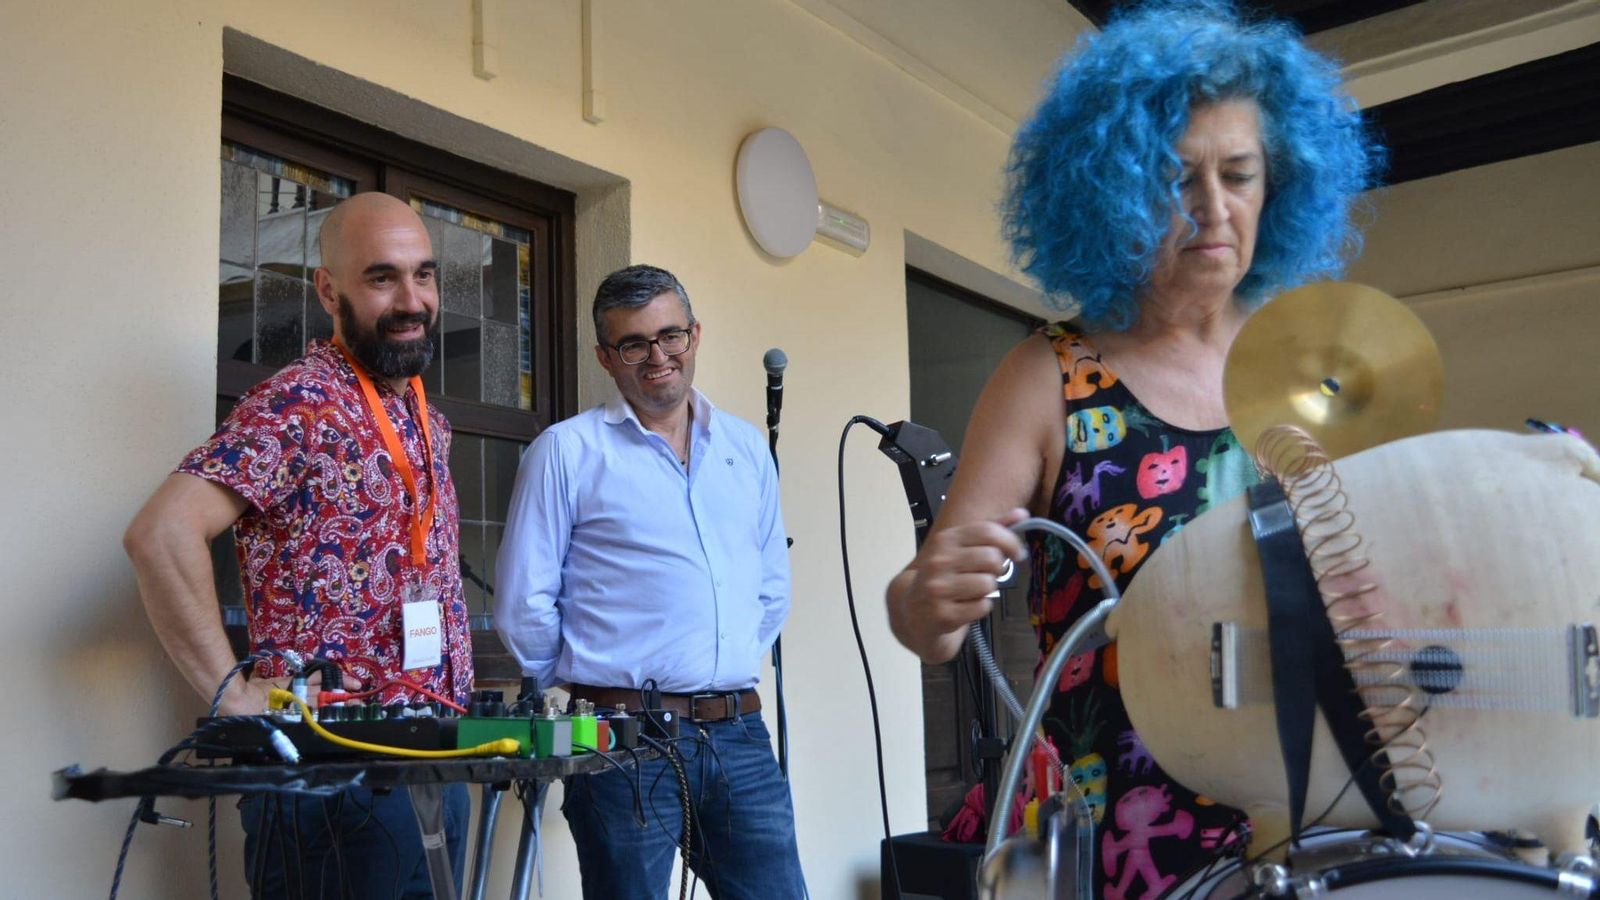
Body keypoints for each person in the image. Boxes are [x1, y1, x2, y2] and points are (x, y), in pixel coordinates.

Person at [885, 2, 1382, 895]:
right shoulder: (1048, 377)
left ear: (1278, 187)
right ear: (1113, 192)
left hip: (1297, 816)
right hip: (1109, 834)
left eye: (1240, 175)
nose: (1214, 209)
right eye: (1176, 178)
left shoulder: (1302, 373)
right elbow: (929, 619)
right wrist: (927, 598)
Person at [124, 192, 473, 899]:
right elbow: (160, 534)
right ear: (329, 291)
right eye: (382, 278)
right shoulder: (297, 403)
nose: (412, 300)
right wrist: (231, 696)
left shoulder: (426, 418)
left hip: (435, 761)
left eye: (424, 274)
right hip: (331, 780)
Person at [494, 264, 804, 899]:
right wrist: (591, 687)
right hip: (621, 739)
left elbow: (770, 586)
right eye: (634, 344)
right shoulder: (566, 451)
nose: (658, 356)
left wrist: (718, 663)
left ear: (695, 334)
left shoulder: (746, 449)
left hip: (740, 733)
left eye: (670, 336)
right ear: (606, 358)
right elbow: (524, 602)